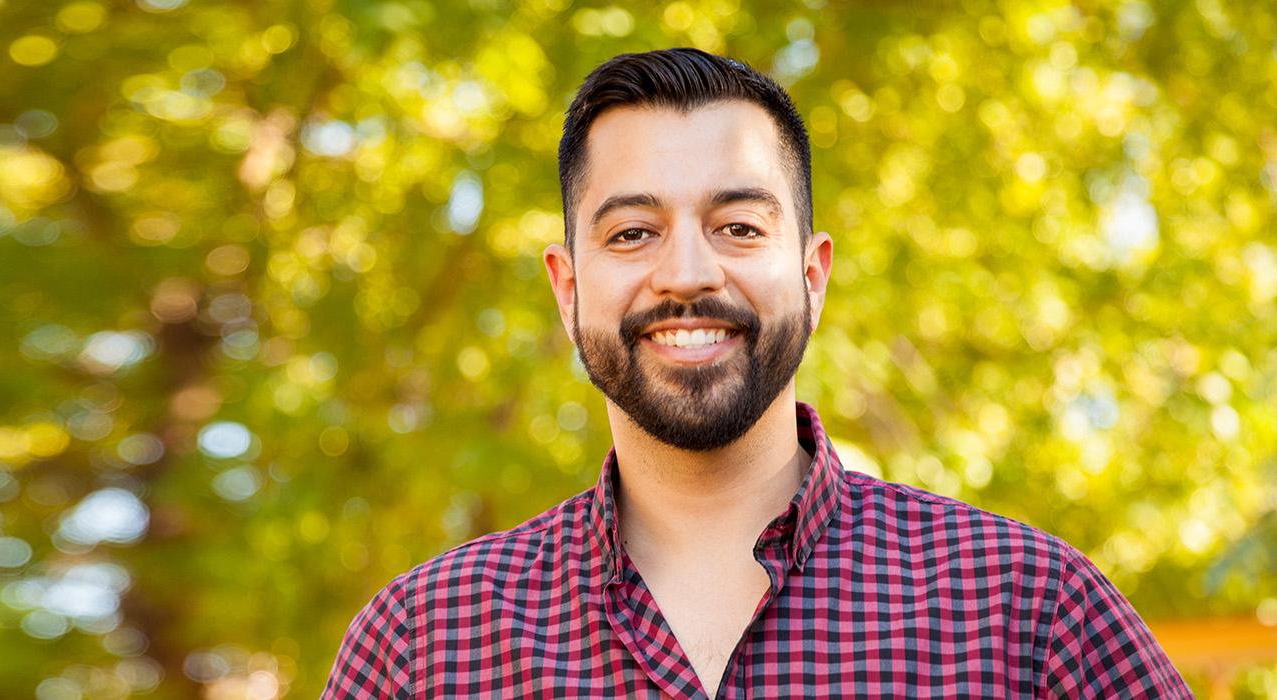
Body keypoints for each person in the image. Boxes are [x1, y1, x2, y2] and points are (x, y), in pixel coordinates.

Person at [321, 48, 1190, 699]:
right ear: (568, 285)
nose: (688, 273)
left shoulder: (1031, 611)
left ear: (812, 276)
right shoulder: (422, 645)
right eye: (632, 233)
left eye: (738, 226)